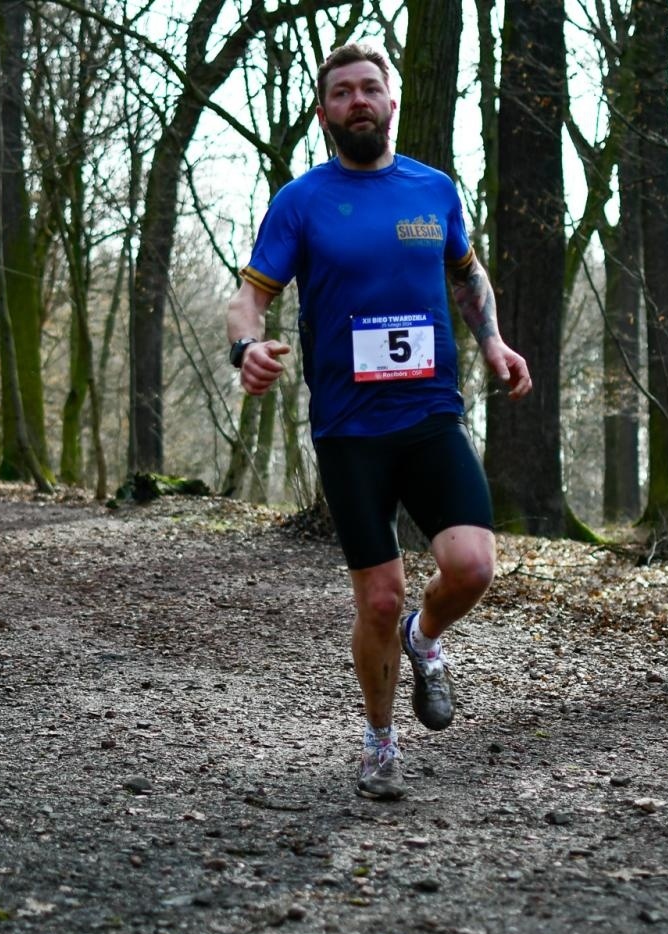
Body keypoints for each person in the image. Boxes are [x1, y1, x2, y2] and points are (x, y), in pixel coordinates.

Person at [225, 43, 532, 802]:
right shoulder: (302, 200)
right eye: (342, 93)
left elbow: (467, 273)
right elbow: (250, 297)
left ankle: (425, 644)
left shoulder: (433, 190)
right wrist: (246, 348)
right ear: (326, 112)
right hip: (349, 428)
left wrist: (492, 339)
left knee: (471, 567)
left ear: (392, 102)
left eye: (371, 88)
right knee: (381, 595)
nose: (358, 100)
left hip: (429, 413)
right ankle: (380, 742)